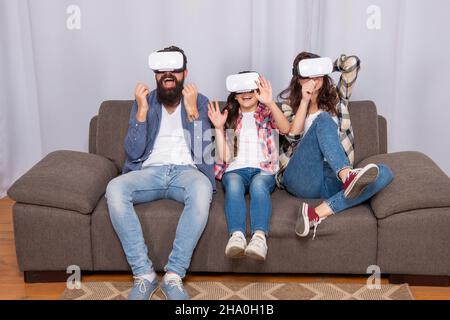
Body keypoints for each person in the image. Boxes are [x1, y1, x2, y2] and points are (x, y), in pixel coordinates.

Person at [105, 46, 215, 300]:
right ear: (155, 74)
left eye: (174, 69)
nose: (168, 74)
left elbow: (205, 155)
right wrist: (141, 112)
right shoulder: (145, 101)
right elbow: (133, 153)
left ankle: (173, 276)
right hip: (150, 172)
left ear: (184, 73)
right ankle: (144, 274)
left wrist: (193, 113)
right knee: (114, 188)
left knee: (202, 189)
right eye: (162, 70)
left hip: (187, 173)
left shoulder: (200, 101)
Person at [277, 52, 394, 239]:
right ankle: (348, 176)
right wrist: (305, 100)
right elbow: (292, 138)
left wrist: (324, 65)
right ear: (298, 77)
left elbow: (352, 64)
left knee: (385, 172)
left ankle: (315, 214)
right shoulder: (288, 106)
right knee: (323, 119)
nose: (314, 78)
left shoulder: (337, 99)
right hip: (301, 176)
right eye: (308, 72)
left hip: (331, 177)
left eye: (318, 72)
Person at [208, 72, 290, 260]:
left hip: (264, 169)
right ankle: (236, 236)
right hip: (235, 169)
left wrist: (270, 102)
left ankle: (259, 238)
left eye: (251, 89)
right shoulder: (230, 116)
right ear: (235, 95)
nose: (246, 93)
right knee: (234, 185)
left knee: (258, 186)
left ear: (258, 90)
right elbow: (226, 157)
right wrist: (219, 128)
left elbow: (286, 129)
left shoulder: (267, 112)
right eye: (241, 90)